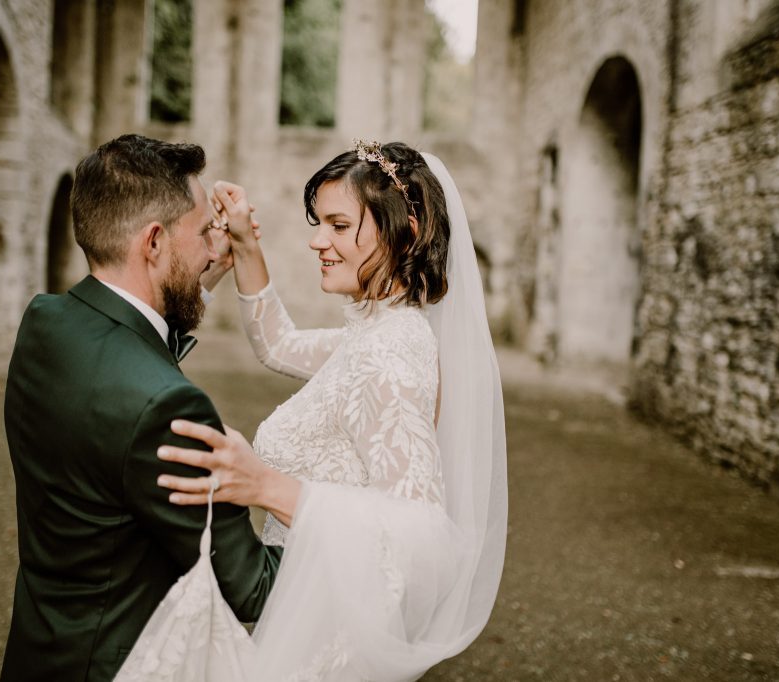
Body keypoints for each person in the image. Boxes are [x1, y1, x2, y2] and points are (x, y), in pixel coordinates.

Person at [118, 141, 507, 681]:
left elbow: (420, 542)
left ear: (406, 233)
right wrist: (245, 245)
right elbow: (278, 344)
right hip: (309, 609)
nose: (317, 240)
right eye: (318, 222)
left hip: (334, 640)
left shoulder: (389, 354)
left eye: (340, 225)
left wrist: (263, 486)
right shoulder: (375, 330)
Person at [0, 134, 284, 682]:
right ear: (153, 242)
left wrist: (199, 280)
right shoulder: (170, 407)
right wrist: (339, 523)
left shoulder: (44, 323)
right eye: (205, 232)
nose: (213, 248)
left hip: (42, 651)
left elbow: (127, 354)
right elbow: (254, 589)